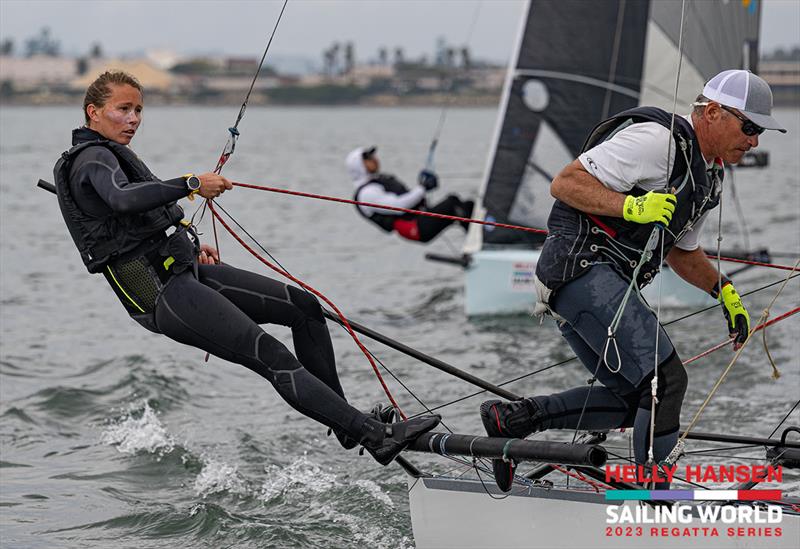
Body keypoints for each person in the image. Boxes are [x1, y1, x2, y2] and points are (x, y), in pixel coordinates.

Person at [53, 70, 440, 466]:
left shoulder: (107, 154)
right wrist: (191, 182)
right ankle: (374, 435)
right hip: (161, 296)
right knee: (272, 356)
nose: (134, 118)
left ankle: (347, 422)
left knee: (303, 308)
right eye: (123, 109)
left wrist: (185, 245)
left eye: (138, 110)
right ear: (93, 112)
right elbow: (120, 199)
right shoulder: (91, 159)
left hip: (183, 271)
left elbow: (131, 225)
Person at [479, 70, 786, 491]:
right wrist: (632, 207)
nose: (754, 141)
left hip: (603, 284)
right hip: (579, 268)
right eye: (749, 127)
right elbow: (565, 183)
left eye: (759, 132)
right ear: (713, 112)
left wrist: (725, 292)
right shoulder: (657, 141)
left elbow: (683, 252)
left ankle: (512, 420)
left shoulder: (708, 175)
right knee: (666, 381)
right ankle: (653, 497)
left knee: (632, 399)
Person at [345, 146, 474, 243]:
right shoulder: (366, 193)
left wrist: (422, 187)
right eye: (369, 159)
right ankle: (479, 241)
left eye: (373, 157)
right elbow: (399, 206)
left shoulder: (378, 182)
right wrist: (423, 188)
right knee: (452, 204)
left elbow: (407, 198)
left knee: (468, 206)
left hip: (418, 219)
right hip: (414, 228)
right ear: (359, 166)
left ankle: (481, 236)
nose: (375, 160)